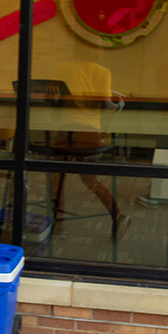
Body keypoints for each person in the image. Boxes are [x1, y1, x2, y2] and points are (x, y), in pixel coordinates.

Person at [51, 60, 130, 240]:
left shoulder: (64, 67)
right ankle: (118, 216)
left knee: (56, 178)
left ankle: (59, 225)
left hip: (65, 127)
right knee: (89, 179)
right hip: (88, 130)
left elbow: (54, 98)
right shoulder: (102, 71)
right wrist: (118, 106)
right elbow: (104, 104)